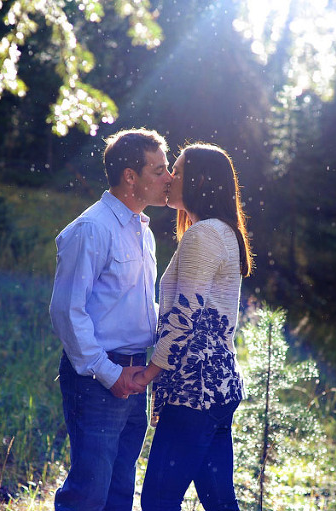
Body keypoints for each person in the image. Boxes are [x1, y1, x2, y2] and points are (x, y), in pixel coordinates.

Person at [48, 128, 172, 511]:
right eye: (159, 169)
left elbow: (135, 309)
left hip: (135, 375)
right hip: (97, 379)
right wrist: (108, 372)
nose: (169, 178)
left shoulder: (142, 231)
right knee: (89, 493)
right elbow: (67, 311)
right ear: (130, 176)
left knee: (119, 491)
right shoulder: (93, 228)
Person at [132, 143, 254, 511]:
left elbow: (186, 314)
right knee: (219, 502)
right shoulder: (223, 231)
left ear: (199, 181)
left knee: (158, 500)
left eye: (178, 172)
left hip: (194, 390)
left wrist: (149, 373)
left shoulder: (204, 234)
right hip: (218, 388)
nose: (170, 178)